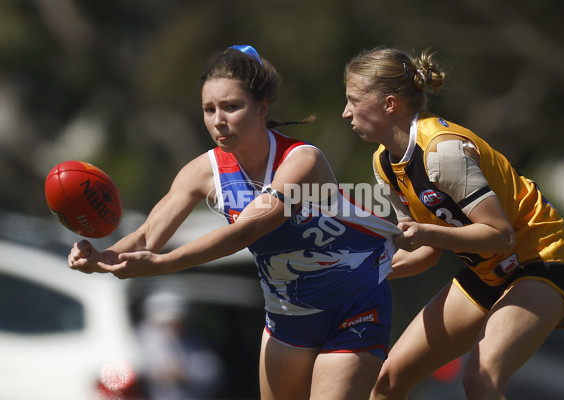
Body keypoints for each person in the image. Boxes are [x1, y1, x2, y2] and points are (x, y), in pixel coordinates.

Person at [68, 44, 403, 400]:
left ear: (262, 106)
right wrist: (103, 258)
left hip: (355, 305)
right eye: (208, 109)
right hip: (287, 317)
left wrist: (163, 264)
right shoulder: (202, 172)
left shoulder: (303, 161)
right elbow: (148, 234)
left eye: (231, 106)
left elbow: (249, 228)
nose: (218, 120)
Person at [342, 46, 564, 400]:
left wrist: (426, 233)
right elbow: (425, 252)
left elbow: (501, 236)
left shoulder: (444, 152)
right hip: (489, 270)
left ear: (389, 104)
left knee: (480, 380)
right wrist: (360, 272)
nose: (346, 111)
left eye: (353, 99)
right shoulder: (384, 164)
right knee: (388, 382)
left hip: (542, 259)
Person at [137, 288, 224, 399]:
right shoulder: (143, 336)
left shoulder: (193, 338)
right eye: (166, 324)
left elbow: (212, 371)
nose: (171, 328)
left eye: (175, 322)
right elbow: (135, 368)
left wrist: (186, 374)